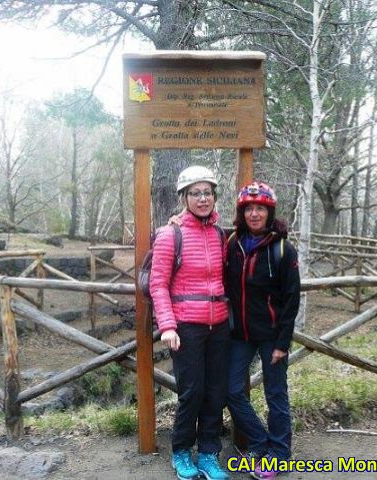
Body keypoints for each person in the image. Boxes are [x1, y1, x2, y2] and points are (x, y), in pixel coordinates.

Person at [149, 165, 230, 480]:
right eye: (195, 193)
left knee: (215, 392)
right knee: (191, 392)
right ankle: (182, 451)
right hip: (186, 327)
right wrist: (167, 325)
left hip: (219, 326)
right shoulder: (171, 234)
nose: (202, 198)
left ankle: (209, 454)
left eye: (207, 192)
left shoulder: (219, 233)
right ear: (184, 197)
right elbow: (158, 283)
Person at [225, 182, 300, 479]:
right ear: (242, 213)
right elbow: (201, 233)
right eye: (249, 209)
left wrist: (283, 342)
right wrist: (177, 218)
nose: (254, 214)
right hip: (240, 335)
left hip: (271, 336)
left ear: (270, 212)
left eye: (260, 209)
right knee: (232, 390)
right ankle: (259, 441)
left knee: (276, 394)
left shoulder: (283, 249)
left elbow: (292, 298)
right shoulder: (232, 242)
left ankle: (280, 454)